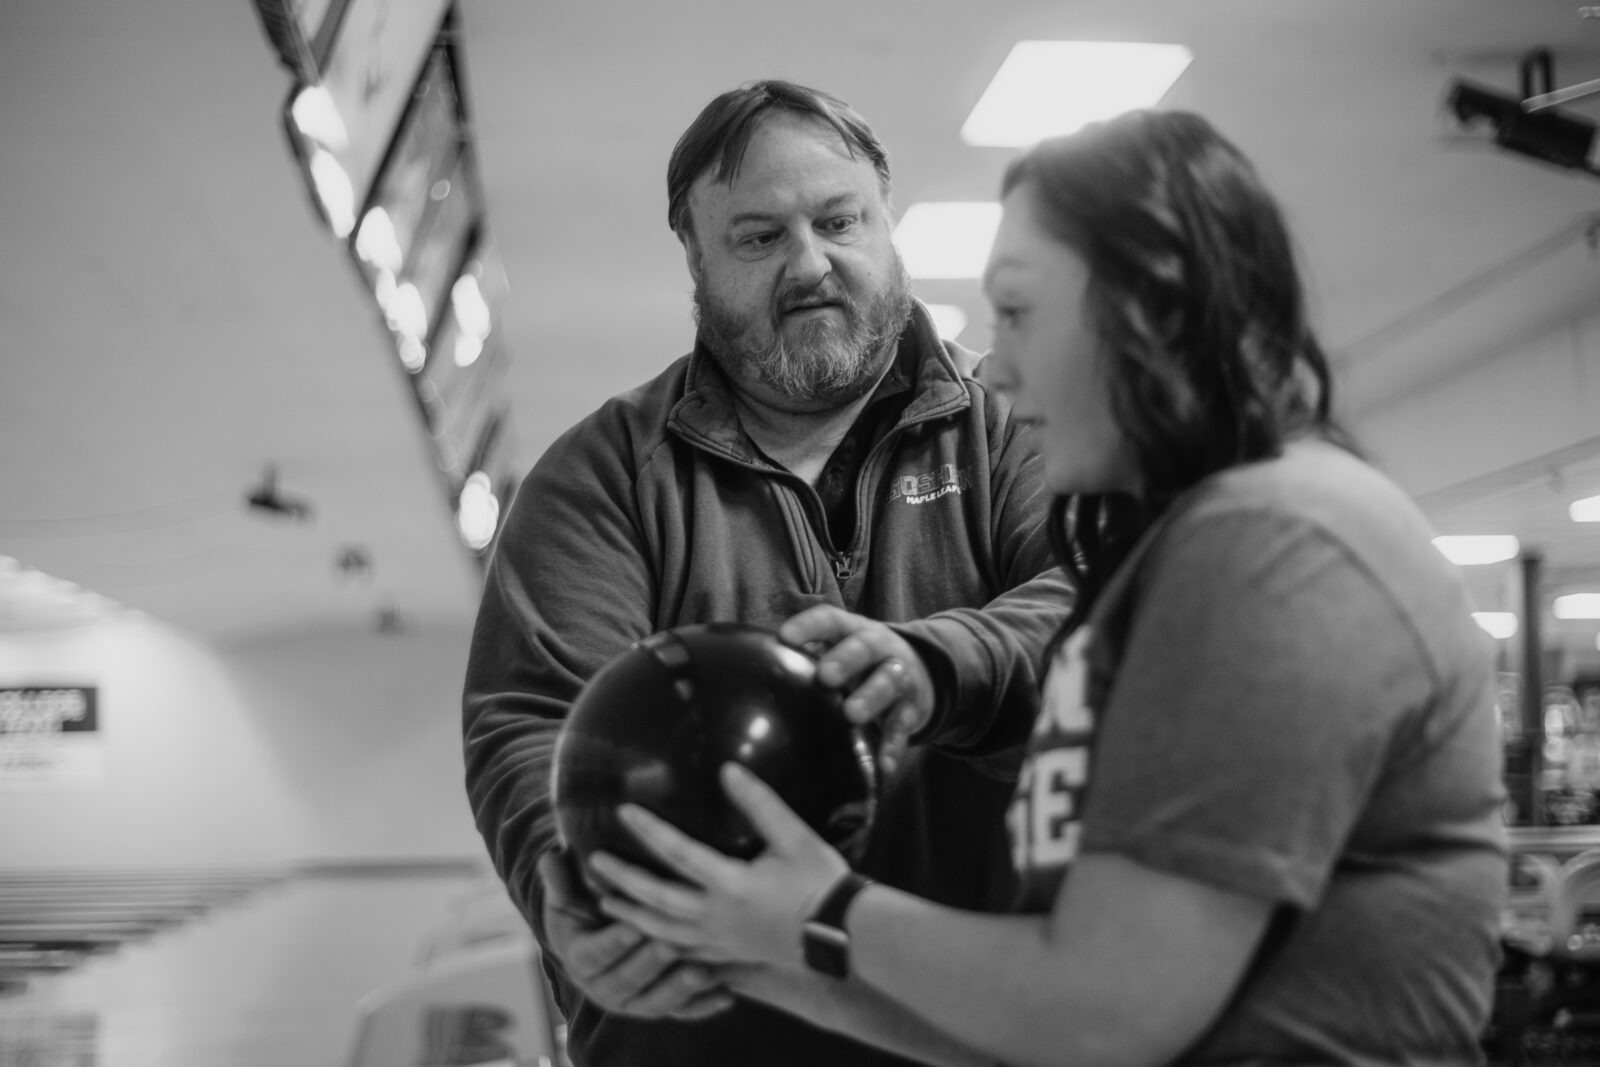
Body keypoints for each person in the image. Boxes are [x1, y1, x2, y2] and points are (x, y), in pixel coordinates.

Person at [588, 109, 1511, 1067]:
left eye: (1020, 312)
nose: (1003, 369)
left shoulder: (1280, 541)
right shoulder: (1181, 551)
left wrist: (823, 909)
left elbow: (1108, 1009)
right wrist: (746, 952)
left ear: (1144, 307)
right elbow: (1036, 1026)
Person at [461, 79, 1071, 1067]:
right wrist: (564, 891)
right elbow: (533, 715)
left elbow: (1098, 601)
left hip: (973, 1027)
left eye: (839, 220)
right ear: (694, 260)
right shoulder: (601, 479)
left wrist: (936, 663)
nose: (810, 264)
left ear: (885, 220)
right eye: (757, 237)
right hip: (697, 1037)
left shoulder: (1015, 426)